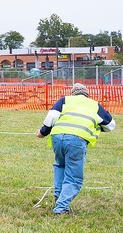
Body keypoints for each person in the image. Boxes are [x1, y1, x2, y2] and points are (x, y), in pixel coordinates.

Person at [36, 82, 116, 214]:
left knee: (60, 166)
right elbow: (110, 125)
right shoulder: (94, 105)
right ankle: (61, 208)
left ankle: (59, 196)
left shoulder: (64, 100)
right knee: (74, 177)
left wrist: (42, 132)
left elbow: (51, 117)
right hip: (77, 140)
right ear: (86, 94)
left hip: (57, 138)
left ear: (73, 93)